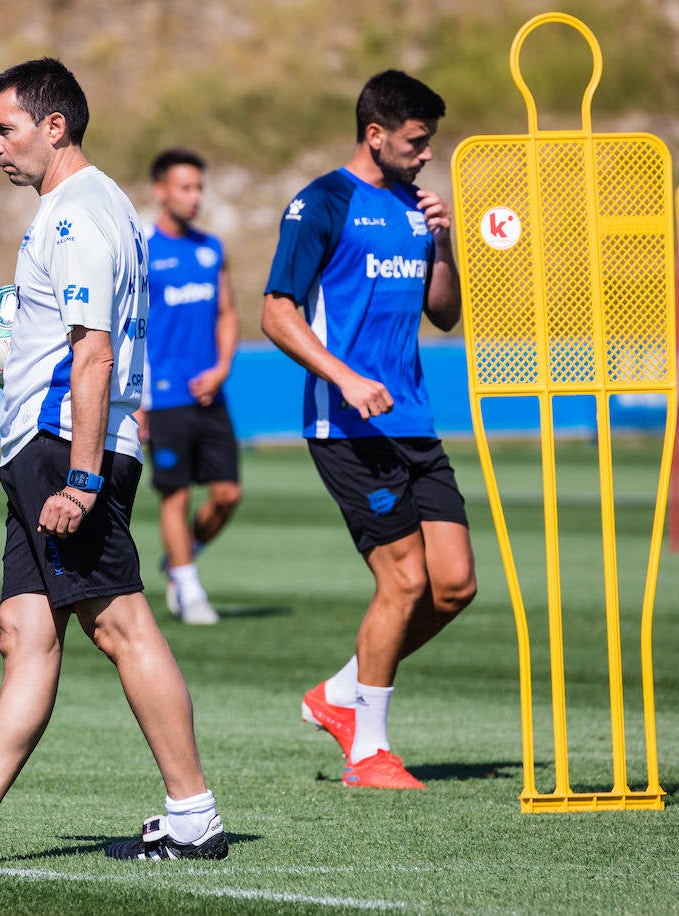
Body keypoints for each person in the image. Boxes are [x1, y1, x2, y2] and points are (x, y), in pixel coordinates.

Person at [0, 58, 228, 865]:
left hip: (66, 448)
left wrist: (82, 477)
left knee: (123, 625)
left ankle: (194, 814)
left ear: (54, 126)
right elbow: (68, 341)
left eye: (5, 128)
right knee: (24, 632)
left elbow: (94, 355)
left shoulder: (73, 217)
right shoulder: (96, 209)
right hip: (56, 441)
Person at [260, 70, 478, 789]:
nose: (425, 156)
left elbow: (442, 314)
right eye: (417, 143)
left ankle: (339, 693)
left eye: (430, 144)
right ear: (376, 134)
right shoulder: (321, 202)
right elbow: (277, 313)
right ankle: (367, 752)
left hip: (412, 417)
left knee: (453, 586)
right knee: (404, 580)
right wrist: (346, 377)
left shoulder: (417, 208)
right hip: (346, 425)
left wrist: (441, 244)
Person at [139, 149, 242, 626]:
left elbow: (227, 312)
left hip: (210, 393)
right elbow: (127, 327)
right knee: (175, 496)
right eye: (185, 187)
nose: (195, 196)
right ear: (160, 190)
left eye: (199, 187)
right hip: (163, 397)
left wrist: (222, 367)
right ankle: (190, 588)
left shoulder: (211, 249)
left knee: (227, 495)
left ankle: (181, 560)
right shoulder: (142, 250)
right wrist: (136, 400)